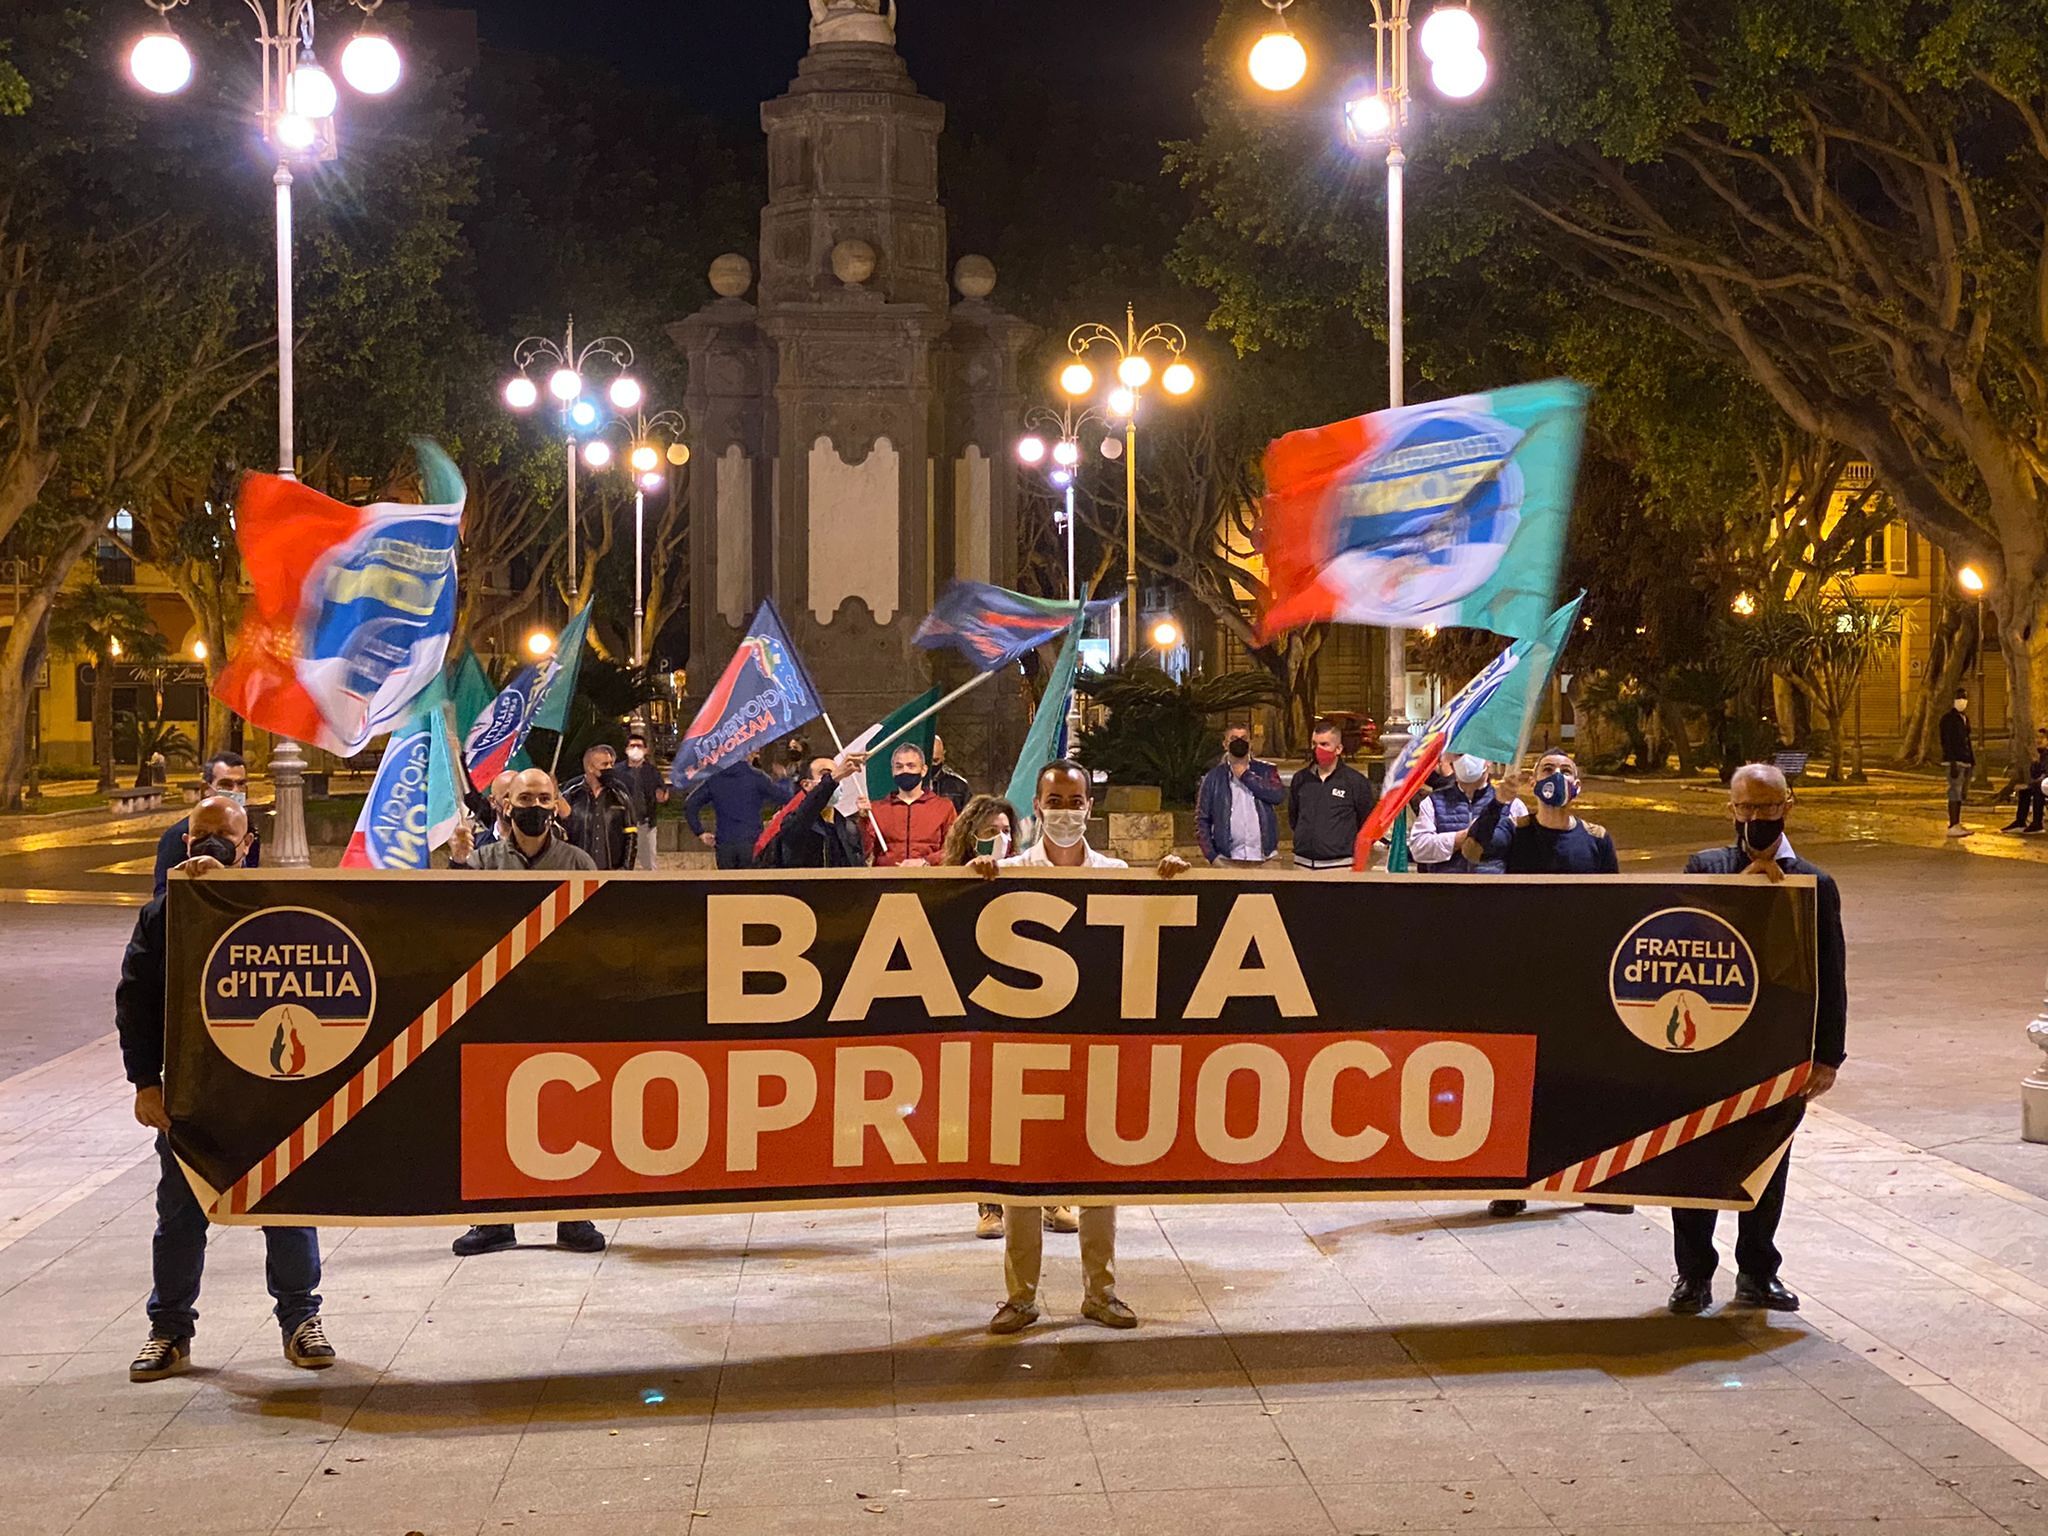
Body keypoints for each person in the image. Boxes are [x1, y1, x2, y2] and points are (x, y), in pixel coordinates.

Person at [970, 760, 1188, 1333]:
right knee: (1020, 1176)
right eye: (1055, 801)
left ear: (1090, 806)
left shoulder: (1117, 871)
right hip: (1026, 1048)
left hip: (1095, 1048)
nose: (1065, 811)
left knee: (1098, 1174)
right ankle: (1019, 1298)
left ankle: (1102, 1292)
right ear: (1036, 808)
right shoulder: (1008, 871)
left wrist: (1169, 880)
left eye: (1075, 800)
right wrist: (972, 880)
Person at [122, 796, 334, 1381]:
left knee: (285, 1205)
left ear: (247, 847)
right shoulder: (163, 914)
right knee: (181, 1215)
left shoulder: (277, 906)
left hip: (267, 1092)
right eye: (201, 834)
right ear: (184, 842)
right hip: (192, 1094)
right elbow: (135, 1001)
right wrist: (145, 1083)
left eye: (224, 835)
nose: (210, 844)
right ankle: (169, 1331)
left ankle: (301, 1320)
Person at [1669, 762, 1846, 1315]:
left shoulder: (1814, 882)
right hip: (1711, 1047)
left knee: (1767, 1163)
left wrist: (1827, 1055)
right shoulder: (1707, 868)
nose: (1755, 818)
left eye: (1766, 807)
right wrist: (1736, 895)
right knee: (1695, 1159)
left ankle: (1757, 1272)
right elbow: (1681, 943)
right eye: (1745, 808)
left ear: (1787, 805)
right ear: (1731, 810)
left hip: (1779, 1048)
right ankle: (1693, 1275)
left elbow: (1830, 973)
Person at [445, 768, 606, 1254]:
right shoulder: (482, 861)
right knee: (492, 1111)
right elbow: (454, 918)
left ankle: (573, 1216)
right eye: (523, 797)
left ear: (556, 804)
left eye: (543, 797)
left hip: (561, 1004)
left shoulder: (578, 861)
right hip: (497, 1006)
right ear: (504, 805)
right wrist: (455, 863)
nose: (533, 805)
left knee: (569, 1110)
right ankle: (496, 1218)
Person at [1462, 752, 1628, 1218]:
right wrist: (1499, 800)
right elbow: (1474, 852)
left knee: (1588, 1081)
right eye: (1546, 771)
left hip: (1582, 976)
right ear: (1533, 783)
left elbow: (1616, 906)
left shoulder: (1596, 840)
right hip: (1527, 973)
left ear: (1581, 784)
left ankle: (1597, 1181)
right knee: (1523, 1081)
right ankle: (1515, 1183)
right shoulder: (1515, 832)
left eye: (1566, 771)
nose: (1556, 778)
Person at [937, 794, 1038, 1240]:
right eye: (988, 833)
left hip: (1027, 1003)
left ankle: (1049, 1199)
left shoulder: (1030, 872)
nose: (999, 840)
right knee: (986, 1108)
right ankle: (990, 1207)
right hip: (977, 1009)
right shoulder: (949, 880)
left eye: (1004, 832)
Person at [152, 752, 260, 895]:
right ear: (206, 790)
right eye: (226, 785)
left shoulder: (250, 832)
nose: (236, 791)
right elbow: (164, 894)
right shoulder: (176, 836)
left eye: (241, 784)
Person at [755, 751, 871, 868]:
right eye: (825, 774)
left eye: (837, 774)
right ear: (806, 785)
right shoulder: (795, 822)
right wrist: (833, 778)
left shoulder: (849, 828)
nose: (836, 782)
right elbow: (807, 812)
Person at [1290, 719, 1378, 871]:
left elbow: (1366, 821)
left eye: (1324, 744)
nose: (1317, 749)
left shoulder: (1355, 782)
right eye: (1314, 744)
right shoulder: (1301, 779)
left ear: (1338, 749)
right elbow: (1294, 817)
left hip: (1339, 865)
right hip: (1302, 863)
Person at [1408, 754, 1519, 874]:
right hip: (1446, 888)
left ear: (1488, 761)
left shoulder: (1511, 804)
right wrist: (1461, 838)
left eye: (1474, 752)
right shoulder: (1433, 802)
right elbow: (1418, 848)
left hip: (1494, 888)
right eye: (1460, 754)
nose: (1466, 758)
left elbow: (1521, 853)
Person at [685, 755, 797, 869]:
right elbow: (786, 798)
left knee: (727, 884)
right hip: (752, 841)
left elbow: (691, 805)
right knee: (751, 884)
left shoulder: (715, 779)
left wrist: (700, 832)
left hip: (724, 843)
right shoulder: (756, 777)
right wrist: (785, 778)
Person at [1197, 726, 1283, 867]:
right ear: (1225, 744)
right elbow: (1202, 820)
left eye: (1243, 738)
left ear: (1250, 743)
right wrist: (1212, 856)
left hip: (1265, 859)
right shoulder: (1213, 778)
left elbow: (1277, 795)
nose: (1239, 742)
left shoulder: (1267, 771)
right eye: (1233, 739)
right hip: (1227, 860)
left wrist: (1246, 776)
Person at [866, 742, 957, 867]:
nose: (905, 771)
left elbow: (953, 848)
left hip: (930, 880)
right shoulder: (877, 809)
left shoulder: (944, 807)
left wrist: (926, 862)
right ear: (892, 771)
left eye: (911, 766)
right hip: (887, 881)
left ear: (923, 770)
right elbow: (865, 851)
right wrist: (863, 820)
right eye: (899, 767)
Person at [563, 744, 637, 870]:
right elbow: (562, 836)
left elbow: (631, 835)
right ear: (590, 768)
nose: (610, 768)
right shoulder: (571, 796)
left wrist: (626, 869)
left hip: (611, 873)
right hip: (578, 873)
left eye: (611, 764)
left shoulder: (620, 796)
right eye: (604, 764)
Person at [617, 728, 669, 870]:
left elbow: (663, 793)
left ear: (646, 750)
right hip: (622, 824)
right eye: (632, 746)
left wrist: (663, 797)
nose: (635, 749)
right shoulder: (617, 772)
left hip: (646, 823)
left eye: (639, 746)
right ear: (626, 749)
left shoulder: (652, 771)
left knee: (649, 863)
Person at [2001, 726, 2048, 835]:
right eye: (2037, 737)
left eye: (2042, 738)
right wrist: (2034, 762)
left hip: (2044, 785)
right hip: (2042, 784)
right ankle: (2020, 822)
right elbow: (2036, 775)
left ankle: (2037, 823)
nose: (2038, 740)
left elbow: (2045, 776)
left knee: (2036, 789)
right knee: (2025, 791)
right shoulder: (2042, 754)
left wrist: (2029, 785)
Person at [1940, 688, 1975, 836]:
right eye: (1960, 697)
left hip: (1965, 760)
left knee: (1961, 794)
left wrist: (1972, 761)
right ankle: (1953, 824)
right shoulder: (1948, 719)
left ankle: (1957, 823)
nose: (1963, 700)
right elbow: (1947, 741)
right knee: (1954, 792)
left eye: (1964, 697)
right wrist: (1953, 761)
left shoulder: (1964, 718)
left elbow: (1967, 740)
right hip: (1954, 761)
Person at [924, 734, 971, 811]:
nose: (932, 765)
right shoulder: (911, 783)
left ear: (943, 756)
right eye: (928, 761)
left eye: (935, 760)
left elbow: (968, 818)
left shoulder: (959, 786)